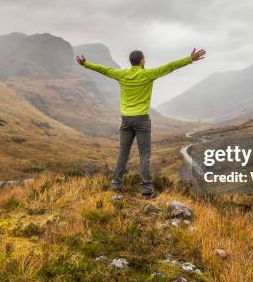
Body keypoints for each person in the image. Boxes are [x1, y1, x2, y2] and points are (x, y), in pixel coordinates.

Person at [76, 48, 206, 197]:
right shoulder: (148, 74)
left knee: (123, 154)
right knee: (144, 155)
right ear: (142, 61)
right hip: (142, 119)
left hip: (126, 119)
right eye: (144, 59)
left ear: (131, 62)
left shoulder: (122, 74)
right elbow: (170, 66)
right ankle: (146, 190)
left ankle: (115, 184)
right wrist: (189, 59)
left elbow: (104, 70)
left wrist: (86, 64)